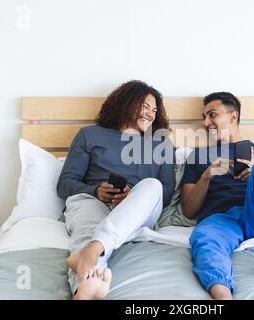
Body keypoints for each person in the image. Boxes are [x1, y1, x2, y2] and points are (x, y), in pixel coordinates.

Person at [57, 80, 175, 300]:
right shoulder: (89, 135)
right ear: (126, 103)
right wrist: (95, 191)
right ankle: (86, 285)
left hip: (138, 211)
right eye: (145, 106)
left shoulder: (161, 143)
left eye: (154, 110)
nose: (150, 114)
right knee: (88, 222)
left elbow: (166, 191)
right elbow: (65, 184)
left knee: (153, 185)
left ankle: (92, 250)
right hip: (93, 202)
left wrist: (134, 196)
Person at [181, 92, 254, 300]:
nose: (206, 122)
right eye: (204, 117)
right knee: (204, 239)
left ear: (233, 116)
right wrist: (207, 176)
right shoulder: (199, 156)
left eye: (212, 115)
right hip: (220, 219)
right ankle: (222, 296)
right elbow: (189, 210)